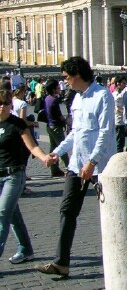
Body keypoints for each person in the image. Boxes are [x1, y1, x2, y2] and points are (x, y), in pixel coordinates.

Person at [35, 56, 117, 278]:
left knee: (115, 211)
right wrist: (57, 152)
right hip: (76, 164)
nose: (64, 82)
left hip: (101, 165)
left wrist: (93, 161)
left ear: (77, 75)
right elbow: (75, 133)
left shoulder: (103, 96)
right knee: (67, 210)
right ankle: (61, 262)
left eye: (66, 77)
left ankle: (121, 255)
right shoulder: (76, 99)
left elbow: (105, 133)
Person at [0, 89, 56, 265]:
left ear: (11, 105)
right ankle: (26, 249)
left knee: (2, 214)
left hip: (14, 175)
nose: (1, 107)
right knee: (12, 213)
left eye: (5, 103)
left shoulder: (17, 124)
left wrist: (45, 157)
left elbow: (32, 147)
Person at [44, 79, 69, 177]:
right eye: (58, 87)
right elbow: (60, 116)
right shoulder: (54, 100)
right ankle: (69, 167)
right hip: (56, 127)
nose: (59, 88)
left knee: (53, 148)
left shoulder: (47, 98)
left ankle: (54, 169)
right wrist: (66, 121)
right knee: (62, 148)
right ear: (54, 89)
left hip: (49, 126)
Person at [112, 76, 127, 152]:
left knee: (121, 141)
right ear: (118, 83)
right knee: (119, 141)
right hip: (118, 120)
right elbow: (116, 106)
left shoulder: (121, 92)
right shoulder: (115, 94)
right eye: (123, 83)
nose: (125, 85)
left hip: (122, 119)